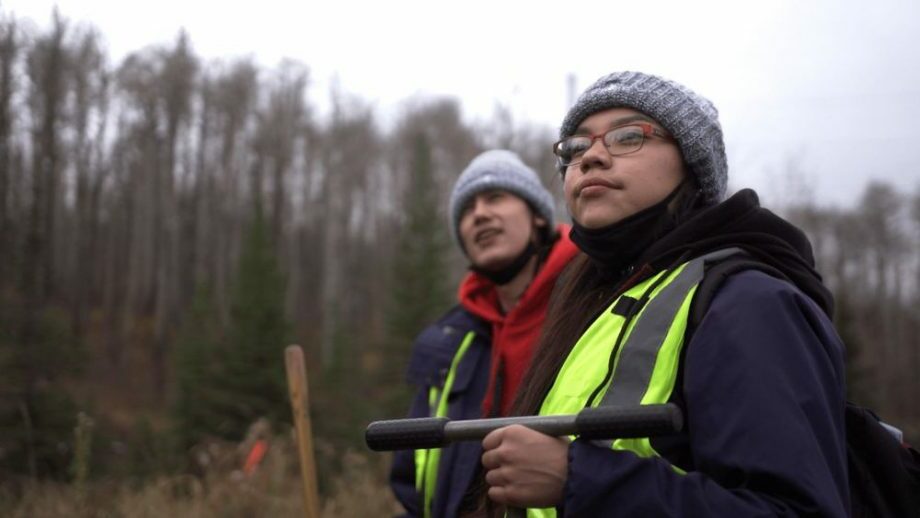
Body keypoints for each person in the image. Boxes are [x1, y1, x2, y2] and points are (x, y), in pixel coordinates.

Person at [478, 72, 849, 516]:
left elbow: (792, 509)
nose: (591, 157)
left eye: (627, 136)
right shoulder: (594, 305)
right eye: (575, 148)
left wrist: (581, 479)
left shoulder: (749, 303)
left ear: (692, 163)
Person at [390, 150, 580, 518]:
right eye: (467, 209)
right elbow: (411, 481)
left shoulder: (597, 304)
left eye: (495, 197)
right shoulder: (448, 340)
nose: (479, 214)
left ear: (539, 216)